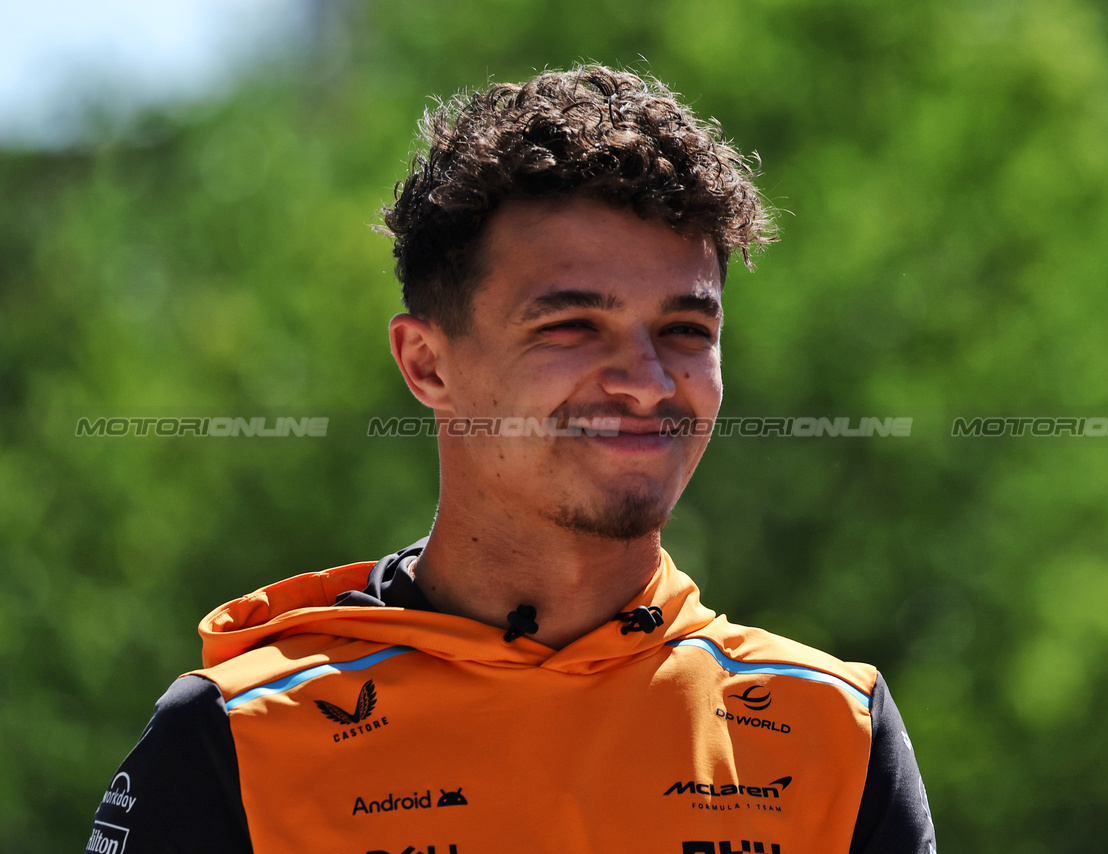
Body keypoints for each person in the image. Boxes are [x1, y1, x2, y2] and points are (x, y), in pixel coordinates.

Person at [87, 65, 936, 854]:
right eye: (571, 326)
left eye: (686, 331)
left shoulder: (835, 730)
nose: (645, 384)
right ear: (428, 364)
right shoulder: (238, 735)